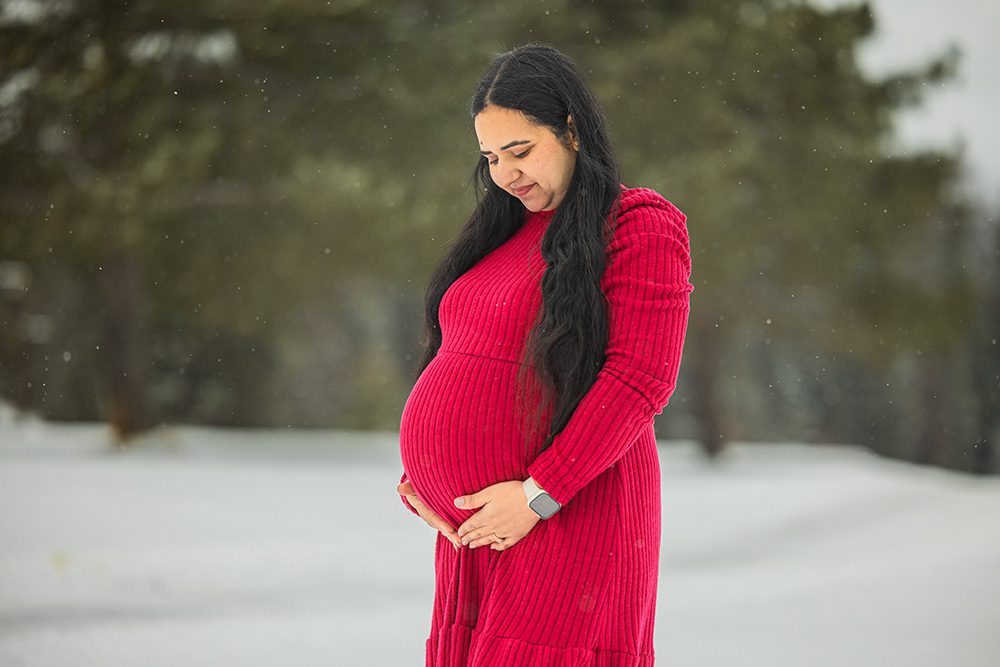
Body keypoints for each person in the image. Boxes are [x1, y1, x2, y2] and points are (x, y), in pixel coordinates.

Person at [395, 42, 693, 666]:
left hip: (569, 516)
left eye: (521, 151)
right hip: (478, 537)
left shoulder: (637, 225)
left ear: (574, 132)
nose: (505, 173)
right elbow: (459, 356)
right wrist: (421, 480)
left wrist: (538, 494)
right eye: (490, 157)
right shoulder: (500, 234)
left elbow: (640, 381)